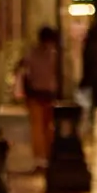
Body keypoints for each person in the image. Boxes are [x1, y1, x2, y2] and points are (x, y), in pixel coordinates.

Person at [16, 23, 69, 172]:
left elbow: (22, 68)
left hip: (34, 93)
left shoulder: (32, 53)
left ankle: (40, 158)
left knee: (37, 127)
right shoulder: (55, 54)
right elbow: (60, 74)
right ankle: (47, 156)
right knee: (48, 127)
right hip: (49, 93)